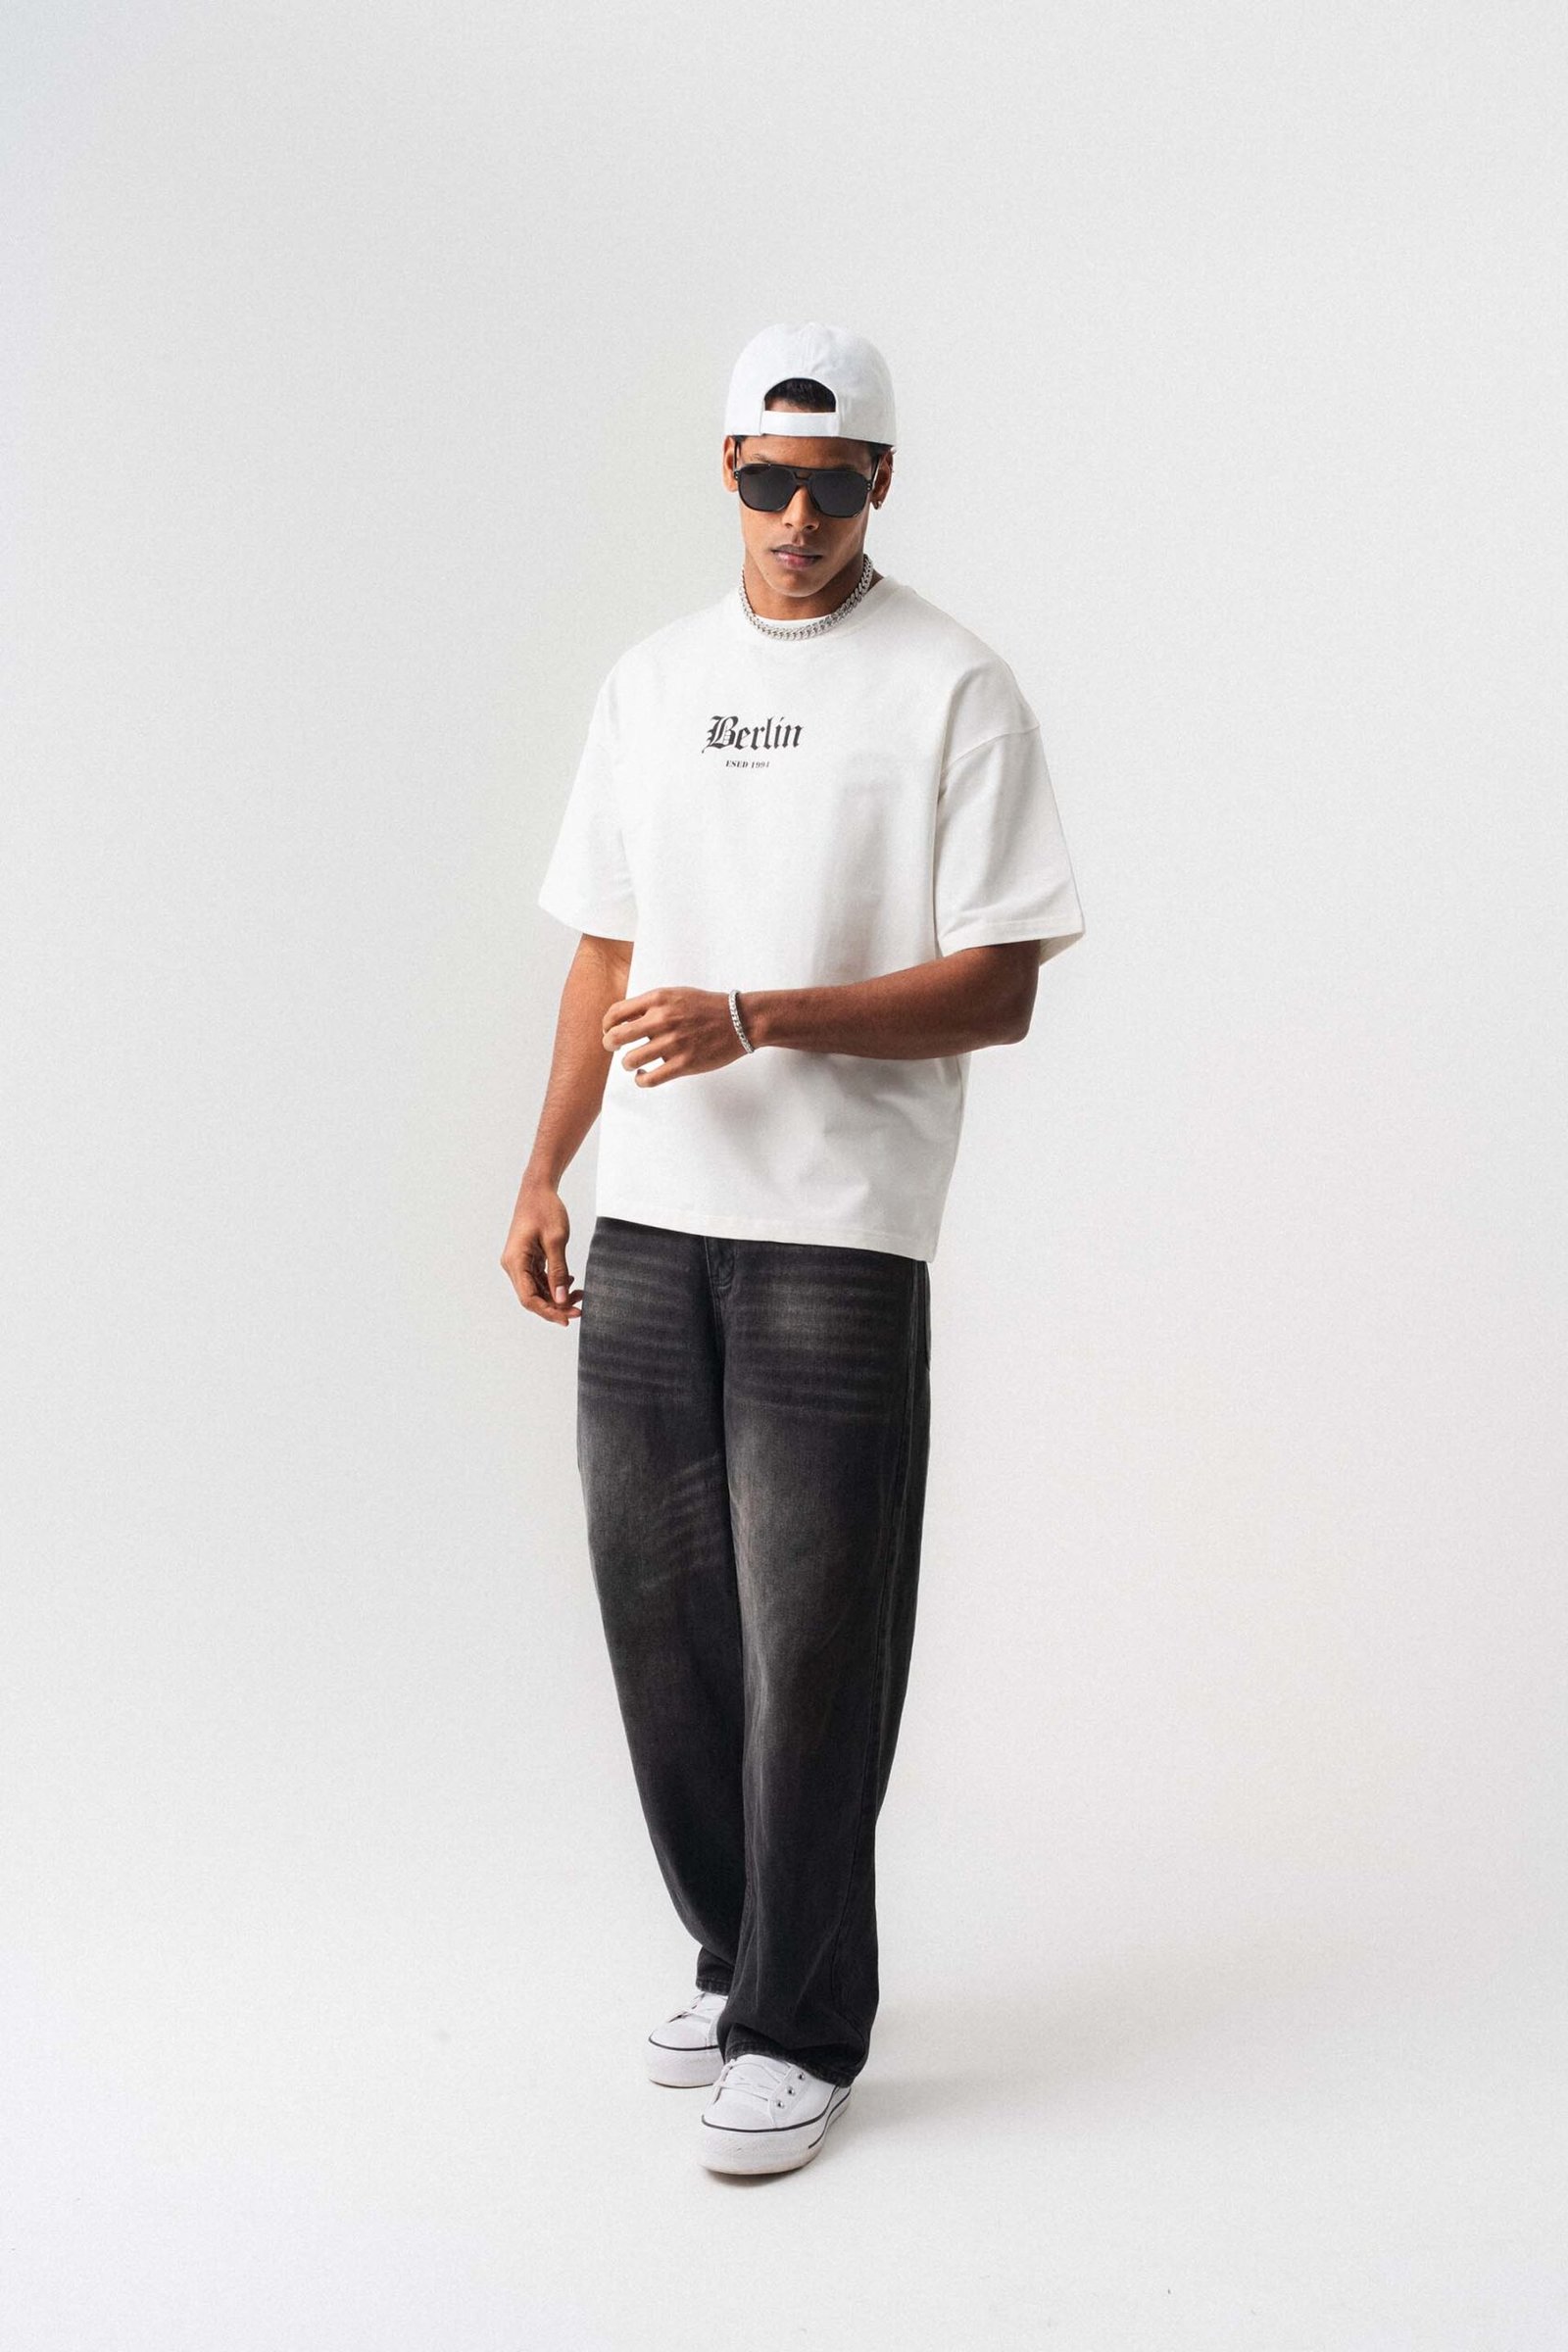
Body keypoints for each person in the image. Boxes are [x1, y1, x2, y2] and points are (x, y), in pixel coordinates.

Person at [502, 321, 1086, 2176]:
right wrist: (544, 1170)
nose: (800, 515)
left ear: (882, 484)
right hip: (654, 1222)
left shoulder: (953, 687)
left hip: (838, 1234)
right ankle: (736, 1952)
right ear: (728, 473)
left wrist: (761, 1016)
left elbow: (1000, 984)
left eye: (835, 485)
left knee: (818, 1634)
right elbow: (606, 946)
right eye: (769, 478)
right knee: (662, 1619)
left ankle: (804, 2025)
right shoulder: (655, 682)